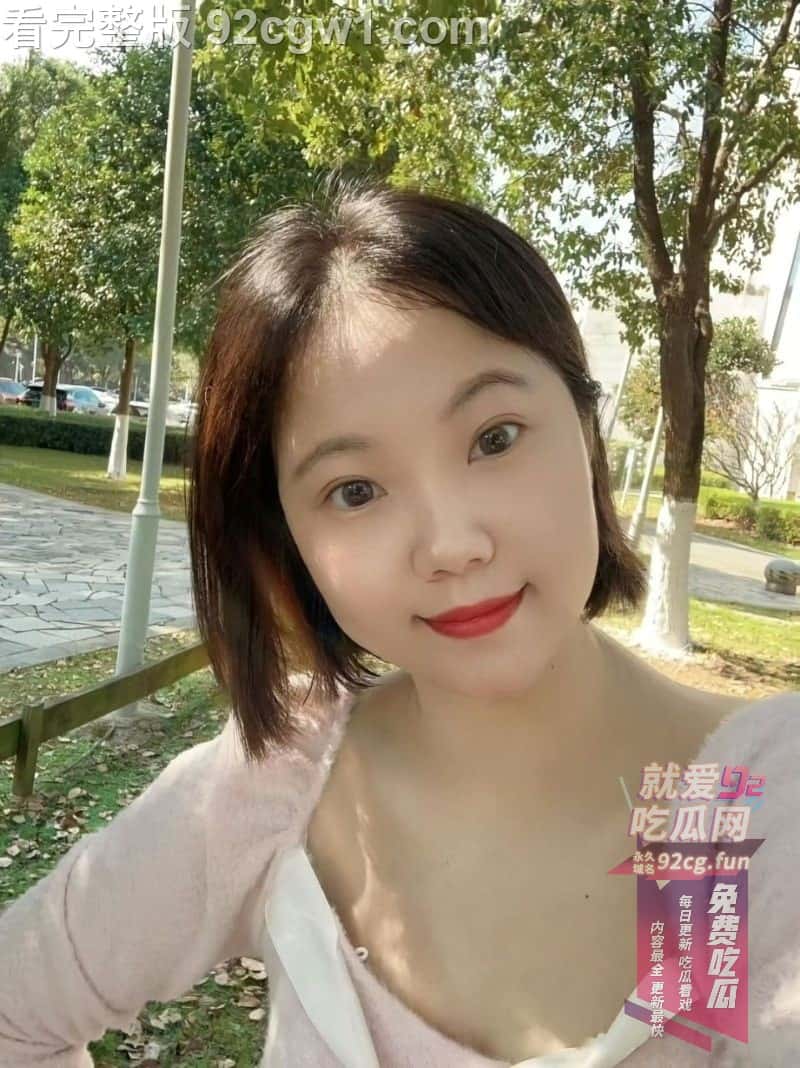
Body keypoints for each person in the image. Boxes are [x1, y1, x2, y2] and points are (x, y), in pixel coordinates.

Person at [1, 175, 798, 1067]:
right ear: (288, 541)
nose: (451, 545)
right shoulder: (278, 788)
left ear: (585, 429)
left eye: (494, 438)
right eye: (355, 491)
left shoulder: (764, 809)